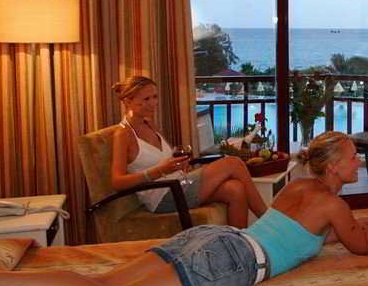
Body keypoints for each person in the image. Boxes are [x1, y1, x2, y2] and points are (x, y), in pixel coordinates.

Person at [0, 131, 368, 286]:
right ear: (333, 167)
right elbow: (363, 246)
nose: (358, 161)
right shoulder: (333, 204)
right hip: (230, 259)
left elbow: (311, 233)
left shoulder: (299, 187)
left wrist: (360, 222)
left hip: (215, 238)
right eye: (353, 157)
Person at [110, 76, 267, 228]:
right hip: (162, 196)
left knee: (235, 189)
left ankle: (239, 243)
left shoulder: (149, 124)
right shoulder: (123, 134)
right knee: (233, 163)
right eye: (146, 99)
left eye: (155, 97)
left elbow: (168, 155)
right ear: (128, 101)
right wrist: (159, 171)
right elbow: (117, 181)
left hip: (179, 182)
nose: (153, 103)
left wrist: (179, 162)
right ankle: (269, 222)